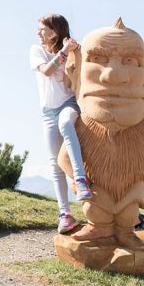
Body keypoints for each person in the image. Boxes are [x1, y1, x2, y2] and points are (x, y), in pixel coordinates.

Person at [31, 14, 94, 233]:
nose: (38, 33)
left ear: (55, 31)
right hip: (48, 111)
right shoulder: (36, 51)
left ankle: (81, 180)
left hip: (69, 103)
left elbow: (72, 81)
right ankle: (65, 215)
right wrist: (64, 52)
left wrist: (72, 54)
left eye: (42, 29)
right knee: (55, 163)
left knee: (66, 124)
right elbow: (47, 71)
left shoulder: (72, 51)